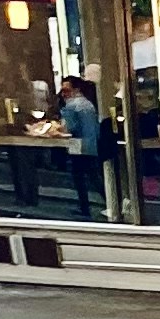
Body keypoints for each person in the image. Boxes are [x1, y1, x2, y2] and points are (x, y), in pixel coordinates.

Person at [57, 73, 105, 220]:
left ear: (76, 89)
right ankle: (109, 201)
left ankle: (85, 207)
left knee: (80, 177)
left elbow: (69, 128)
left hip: (78, 144)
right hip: (92, 143)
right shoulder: (88, 104)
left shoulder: (71, 106)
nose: (64, 94)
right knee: (93, 175)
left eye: (66, 90)